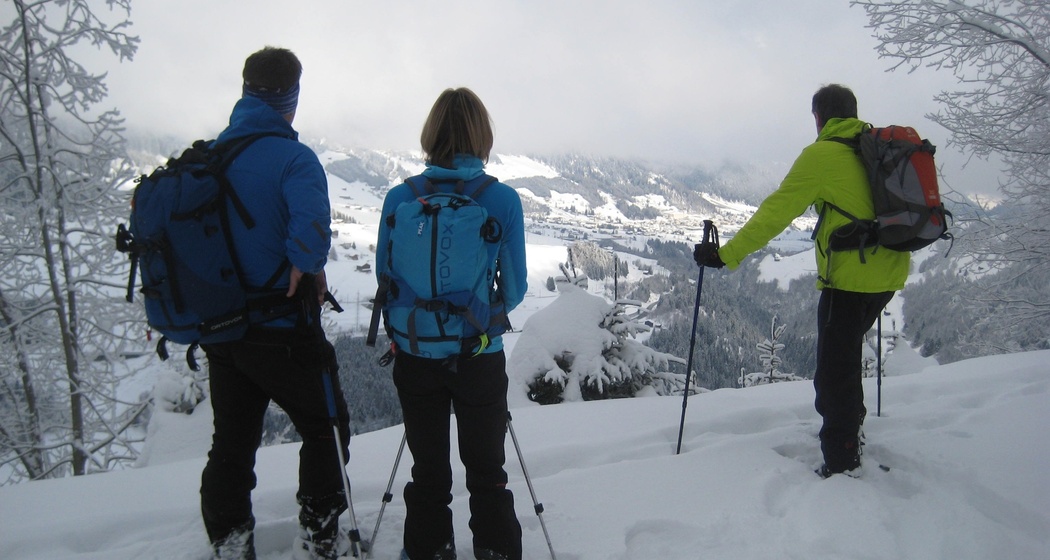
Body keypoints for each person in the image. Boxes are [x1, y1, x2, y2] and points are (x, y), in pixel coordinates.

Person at [694, 84, 910, 477]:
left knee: (834, 372)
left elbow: (775, 213)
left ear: (819, 118)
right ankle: (850, 428)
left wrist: (726, 254)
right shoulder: (875, 149)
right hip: (889, 272)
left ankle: (843, 458)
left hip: (849, 278)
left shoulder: (822, 155)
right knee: (844, 358)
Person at [198, 47, 351, 560]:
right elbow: (309, 242)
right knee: (327, 430)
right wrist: (305, 264)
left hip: (222, 333)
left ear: (246, 92)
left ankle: (231, 543)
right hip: (282, 330)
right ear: (292, 97)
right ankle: (318, 537)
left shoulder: (212, 156)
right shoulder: (293, 158)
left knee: (232, 445)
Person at [375, 87, 528, 560]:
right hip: (477, 355)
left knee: (429, 472)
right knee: (487, 470)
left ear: (431, 134)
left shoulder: (402, 197)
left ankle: (428, 550)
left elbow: (386, 278)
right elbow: (517, 289)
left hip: (417, 355)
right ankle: (497, 551)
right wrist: (481, 319)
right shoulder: (500, 200)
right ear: (482, 136)